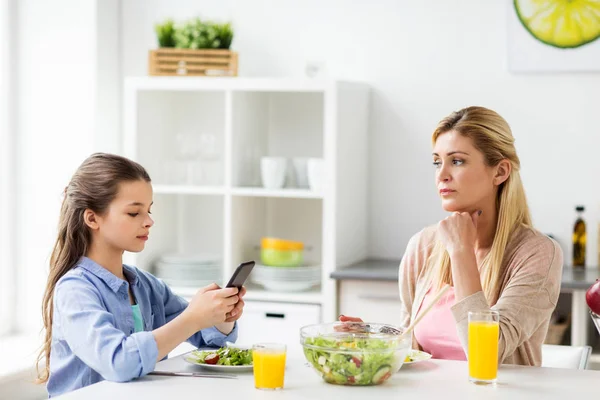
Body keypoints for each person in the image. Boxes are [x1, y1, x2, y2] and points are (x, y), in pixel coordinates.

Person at [341, 106, 563, 366]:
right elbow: (411, 345)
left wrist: (461, 252)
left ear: (500, 172)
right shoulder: (423, 246)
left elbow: (487, 355)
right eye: (437, 162)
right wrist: (373, 338)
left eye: (457, 161)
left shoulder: (537, 253)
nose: (442, 175)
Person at [36, 153, 245, 397]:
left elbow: (208, 339)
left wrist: (221, 316)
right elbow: (118, 361)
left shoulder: (146, 285)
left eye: (149, 210)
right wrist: (193, 318)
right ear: (92, 218)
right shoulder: (75, 290)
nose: (149, 221)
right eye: (134, 213)